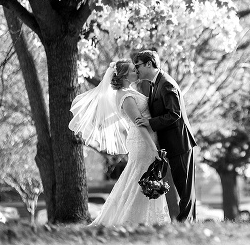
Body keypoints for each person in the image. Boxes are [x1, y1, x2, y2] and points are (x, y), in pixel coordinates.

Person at [68, 60, 169, 226]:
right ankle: (130, 220)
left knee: (138, 177)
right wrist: (153, 147)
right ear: (123, 75)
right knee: (141, 177)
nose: (136, 72)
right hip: (142, 142)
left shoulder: (130, 90)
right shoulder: (125, 96)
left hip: (147, 139)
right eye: (132, 70)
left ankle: (147, 219)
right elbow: (138, 122)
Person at [132, 50, 197, 222]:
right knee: (181, 185)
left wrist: (150, 123)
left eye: (137, 65)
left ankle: (186, 223)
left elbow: (174, 114)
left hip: (179, 143)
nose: (135, 69)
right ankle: (188, 222)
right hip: (172, 144)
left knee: (184, 187)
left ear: (148, 64)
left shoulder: (166, 84)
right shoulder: (156, 83)